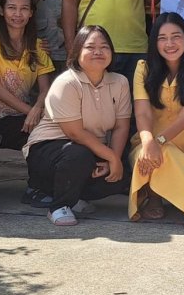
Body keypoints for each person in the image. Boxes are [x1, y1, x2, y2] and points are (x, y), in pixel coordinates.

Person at [23, 25, 132, 227]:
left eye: (104, 47)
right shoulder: (66, 82)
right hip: (51, 150)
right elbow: (75, 133)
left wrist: (113, 161)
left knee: (123, 176)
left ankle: (74, 195)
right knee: (77, 154)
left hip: (91, 151)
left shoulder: (120, 82)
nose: (98, 52)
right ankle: (58, 206)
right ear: (77, 51)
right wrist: (111, 156)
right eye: (90, 47)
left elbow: (121, 127)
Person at [129, 13, 184, 223]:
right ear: (154, 43)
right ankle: (154, 197)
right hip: (148, 138)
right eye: (162, 38)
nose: (170, 43)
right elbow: (142, 112)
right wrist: (149, 141)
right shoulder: (143, 68)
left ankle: (180, 194)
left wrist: (159, 142)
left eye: (176, 36)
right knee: (146, 153)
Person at [0, 0, 55, 199]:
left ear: (31, 13)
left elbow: (46, 88)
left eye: (24, 9)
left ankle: (37, 189)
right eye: (12, 8)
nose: (17, 14)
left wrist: (37, 110)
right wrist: (31, 112)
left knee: (45, 134)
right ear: (1, 11)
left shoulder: (37, 46)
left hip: (23, 117)